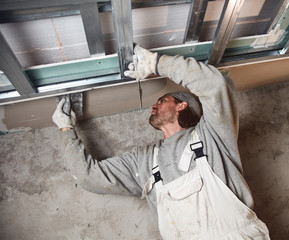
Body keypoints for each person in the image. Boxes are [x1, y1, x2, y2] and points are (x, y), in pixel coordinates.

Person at [52, 45, 270, 239]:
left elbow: (215, 84)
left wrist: (156, 63)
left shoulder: (212, 135)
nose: (152, 107)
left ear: (182, 105)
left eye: (161, 101)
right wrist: (66, 128)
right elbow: (89, 177)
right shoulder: (144, 161)